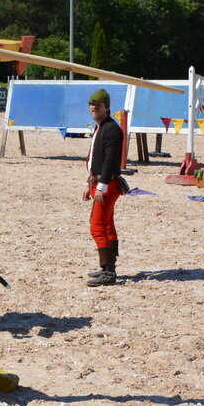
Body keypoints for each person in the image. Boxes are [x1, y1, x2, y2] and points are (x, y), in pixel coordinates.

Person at [82, 88, 124, 287]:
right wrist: (87, 183)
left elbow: (110, 161)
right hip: (99, 182)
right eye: (92, 104)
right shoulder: (100, 127)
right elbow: (95, 159)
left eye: (98, 104)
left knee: (97, 227)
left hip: (106, 185)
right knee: (106, 225)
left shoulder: (111, 129)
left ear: (107, 107)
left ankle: (109, 271)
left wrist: (102, 186)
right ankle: (108, 267)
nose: (94, 107)